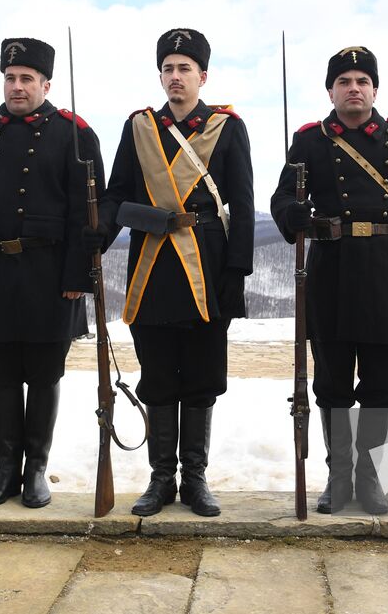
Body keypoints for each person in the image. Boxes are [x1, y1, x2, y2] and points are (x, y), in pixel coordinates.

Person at [271, 46, 388, 515]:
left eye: (362, 80)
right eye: (344, 81)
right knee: (333, 382)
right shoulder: (309, 141)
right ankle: (339, 477)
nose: (354, 88)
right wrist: (293, 214)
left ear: (375, 89)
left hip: (385, 269)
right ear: (331, 90)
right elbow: (281, 198)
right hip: (331, 272)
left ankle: (370, 476)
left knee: (381, 384)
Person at [0, 38, 102, 508]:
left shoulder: (74, 133)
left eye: (27, 79)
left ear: (45, 84)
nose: (17, 87)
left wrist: (79, 277)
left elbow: (88, 214)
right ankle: (5, 470)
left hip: (51, 275)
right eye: (10, 78)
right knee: (2, 378)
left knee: (45, 375)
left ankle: (36, 471)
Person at [99, 28, 254, 517]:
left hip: (207, 263)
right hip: (151, 265)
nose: (175, 76)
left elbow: (244, 206)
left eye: (184, 68)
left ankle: (196, 479)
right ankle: (161, 479)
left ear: (202, 76)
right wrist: (97, 241)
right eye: (168, 68)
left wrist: (237, 272)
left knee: (202, 377)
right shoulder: (139, 127)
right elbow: (116, 197)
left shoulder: (227, 128)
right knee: (159, 375)